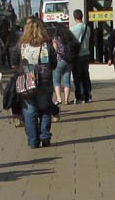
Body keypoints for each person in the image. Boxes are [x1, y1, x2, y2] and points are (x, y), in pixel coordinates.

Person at [16, 16, 57, 149]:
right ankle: (44, 135)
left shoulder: (21, 45)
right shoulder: (47, 44)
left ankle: (33, 140)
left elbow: (13, 62)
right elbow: (54, 63)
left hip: (26, 81)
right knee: (45, 108)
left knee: (29, 111)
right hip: (45, 81)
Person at [69, 8, 93, 104]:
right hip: (86, 53)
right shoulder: (87, 28)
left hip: (77, 55)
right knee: (86, 75)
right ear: (82, 16)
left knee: (77, 77)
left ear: (74, 17)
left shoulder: (72, 30)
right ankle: (88, 95)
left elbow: (70, 42)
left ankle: (80, 96)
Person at [51, 23, 75, 108]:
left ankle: (58, 98)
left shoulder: (56, 39)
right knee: (67, 80)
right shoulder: (69, 37)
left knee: (56, 80)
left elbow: (55, 50)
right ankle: (66, 100)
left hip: (59, 60)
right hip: (69, 61)